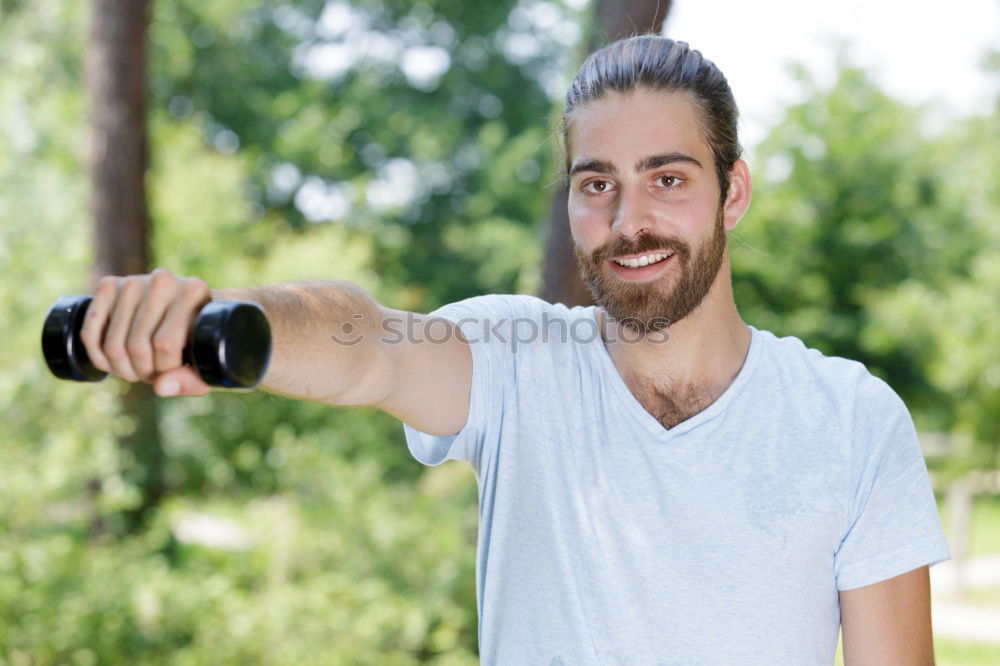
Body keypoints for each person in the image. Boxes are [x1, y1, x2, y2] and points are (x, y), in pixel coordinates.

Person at [80, 35, 950, 665]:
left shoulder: (850, 419)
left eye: (669, 179)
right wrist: (228, 317)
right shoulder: (516, 358)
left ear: (734, 193)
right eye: (595, 183)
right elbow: (368, 341)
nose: (627, 221)